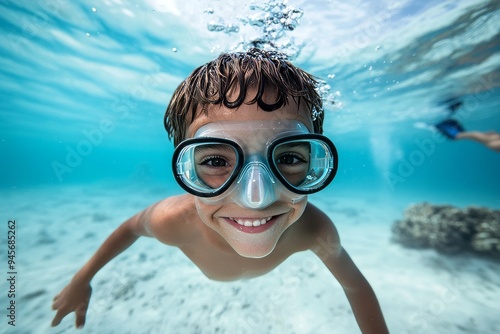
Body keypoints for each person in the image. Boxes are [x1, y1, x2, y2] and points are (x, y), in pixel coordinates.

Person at [51, 48, 389, 333]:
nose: (256, 197)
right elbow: (129, 229)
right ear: (187, 170)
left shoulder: (315, 230)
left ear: (314, 164)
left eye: (288, 158)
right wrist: (81, 280)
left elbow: (354, 285)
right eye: (215, 161)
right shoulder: (174, 220)